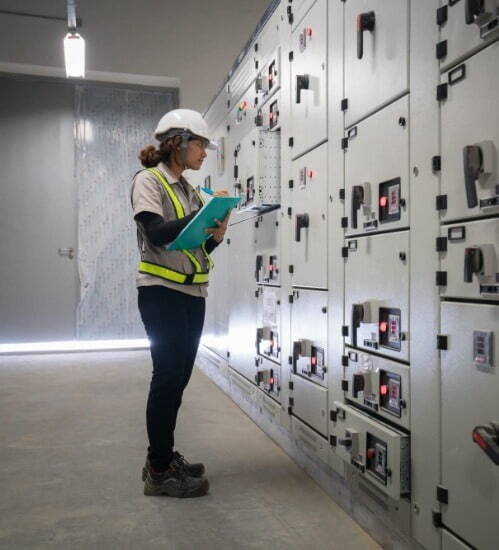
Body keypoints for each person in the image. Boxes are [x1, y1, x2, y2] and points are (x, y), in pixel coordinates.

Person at [131, 108, 230, 498]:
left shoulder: (188, 189)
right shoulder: (148, 181)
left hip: (193, 294)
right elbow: (155, 233)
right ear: (181, 142)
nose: (205, 154)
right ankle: (158, 470)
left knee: (179, 380)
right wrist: (200, 215)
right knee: (167, 379)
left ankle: (164, 456)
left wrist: (215, 232)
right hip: (161, 293)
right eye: (202, 146)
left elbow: (196, 244)